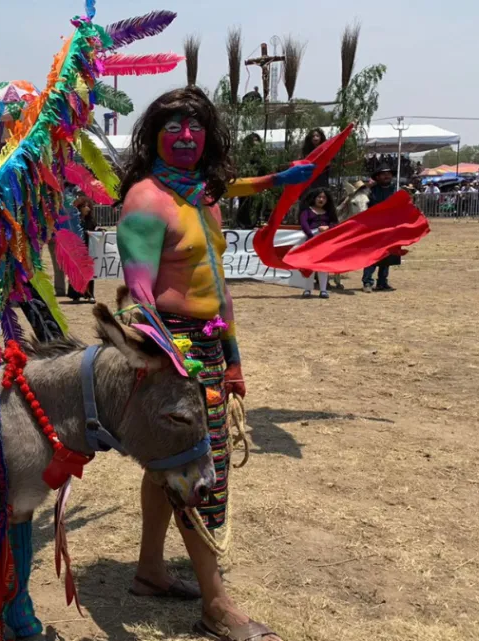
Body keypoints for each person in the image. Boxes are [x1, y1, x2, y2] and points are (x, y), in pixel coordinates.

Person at [115, 86, 311, 641]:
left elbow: (220, 288)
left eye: (195, 126)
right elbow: (137, 294)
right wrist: (169, 362)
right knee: (200, 474)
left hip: (209, 345)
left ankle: (151, 572)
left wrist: (233, 359)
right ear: (153, 134)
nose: (184, 136)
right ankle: (217, 605)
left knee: (168, 467)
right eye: (173, 126)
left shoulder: (203, 196)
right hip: (171, 348)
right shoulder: (146, 201)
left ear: (209, 136)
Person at [362, 165, 398, 293]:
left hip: (390, 228)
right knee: (372, 256)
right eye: (383, 174)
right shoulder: (371, 191)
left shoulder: (396, 190)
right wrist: (367, 187)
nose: (386, 176)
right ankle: (367, 282)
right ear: (377, 177)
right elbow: (359, 199)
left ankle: (382, 282)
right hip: (373, 228)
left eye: (388, 174)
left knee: (387, 255)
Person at [298, 188, 338, 299]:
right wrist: (311, 237)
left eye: (324, 197)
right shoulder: (306, 211)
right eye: (319, 197)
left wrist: (328, 227)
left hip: (324, 243)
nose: (321, 199)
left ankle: (323, 290)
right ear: (314, 198)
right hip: (310, 242)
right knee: (309, 266)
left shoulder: (329, 212)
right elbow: (304, 224)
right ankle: (307, 289)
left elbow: (335, 224)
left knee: (322, 266)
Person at [66, 194, 97, 303]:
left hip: (88, 249)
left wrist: (100, 231)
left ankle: (90, 294)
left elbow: (94, 230)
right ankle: (76, 294)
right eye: (85, 206)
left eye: (88, 206)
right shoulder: (75, 219)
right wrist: (84, 232)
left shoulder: (91, 220)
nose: (87, 209)